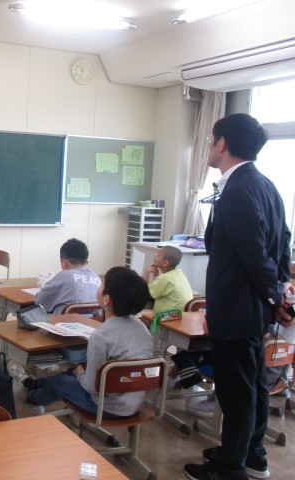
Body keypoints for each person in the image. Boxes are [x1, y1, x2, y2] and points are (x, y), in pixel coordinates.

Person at [184, 113, 294, 480]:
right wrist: (279, 293)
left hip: (236, 310)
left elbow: (254, 254)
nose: (208, 147)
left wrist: (276, 294)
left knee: (236, 393)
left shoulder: (240, 189)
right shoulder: (264, 185)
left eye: (211, 140)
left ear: (222, 143)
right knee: (252, 386)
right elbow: (283, 243)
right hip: (251, 308)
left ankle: (231, 468)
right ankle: (251, 454)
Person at [12, 266, 153, 417]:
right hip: (135, 401)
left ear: (106, 300)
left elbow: (91, 387)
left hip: (104, 406)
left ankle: (31, 399)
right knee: (69, 373)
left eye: (102, 284)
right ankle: (32, 384)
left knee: (60, 381)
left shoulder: (101, 337)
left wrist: (79, 372)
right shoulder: (142, 328)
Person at [35, 238, 101, 314]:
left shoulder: (65, 276)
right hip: (92, 321)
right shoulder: (97, 279)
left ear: (64, 263)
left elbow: (39, 301)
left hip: (63, 321)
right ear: (86, 261)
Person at [143, 245, 194, 313]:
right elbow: (159, 289)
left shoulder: (165, 278)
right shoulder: (179, 274)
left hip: (168, 317)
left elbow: (145, 294)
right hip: (182, 315)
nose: (155, 257)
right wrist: (156, 275)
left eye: (158, 256)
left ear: (165, 263)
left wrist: (147, 273)